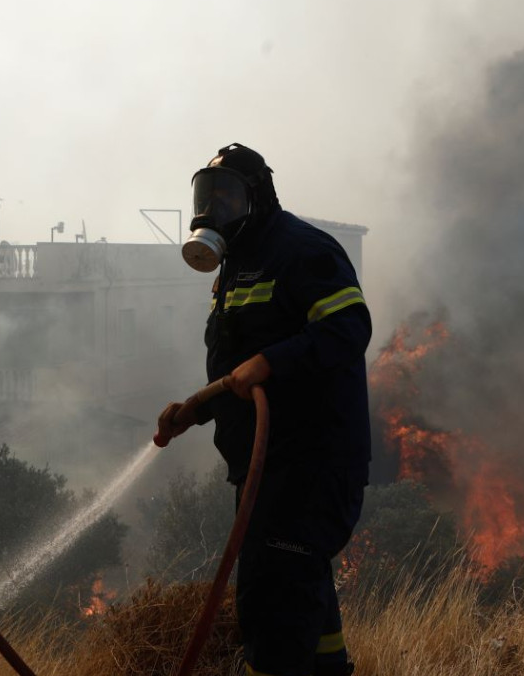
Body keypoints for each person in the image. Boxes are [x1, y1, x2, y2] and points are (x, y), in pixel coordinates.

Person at [156, 143, 371, 676]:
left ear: (259, 198)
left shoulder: (302, 250)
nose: (212, 210)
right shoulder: (234, 266)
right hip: (265, 466)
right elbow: (236, 366)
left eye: (227, 195)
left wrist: (272, 362)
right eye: (206, 196)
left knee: (271, 604)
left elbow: (350, 328)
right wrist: (196, 409)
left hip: (310, 463)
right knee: (303, 591)